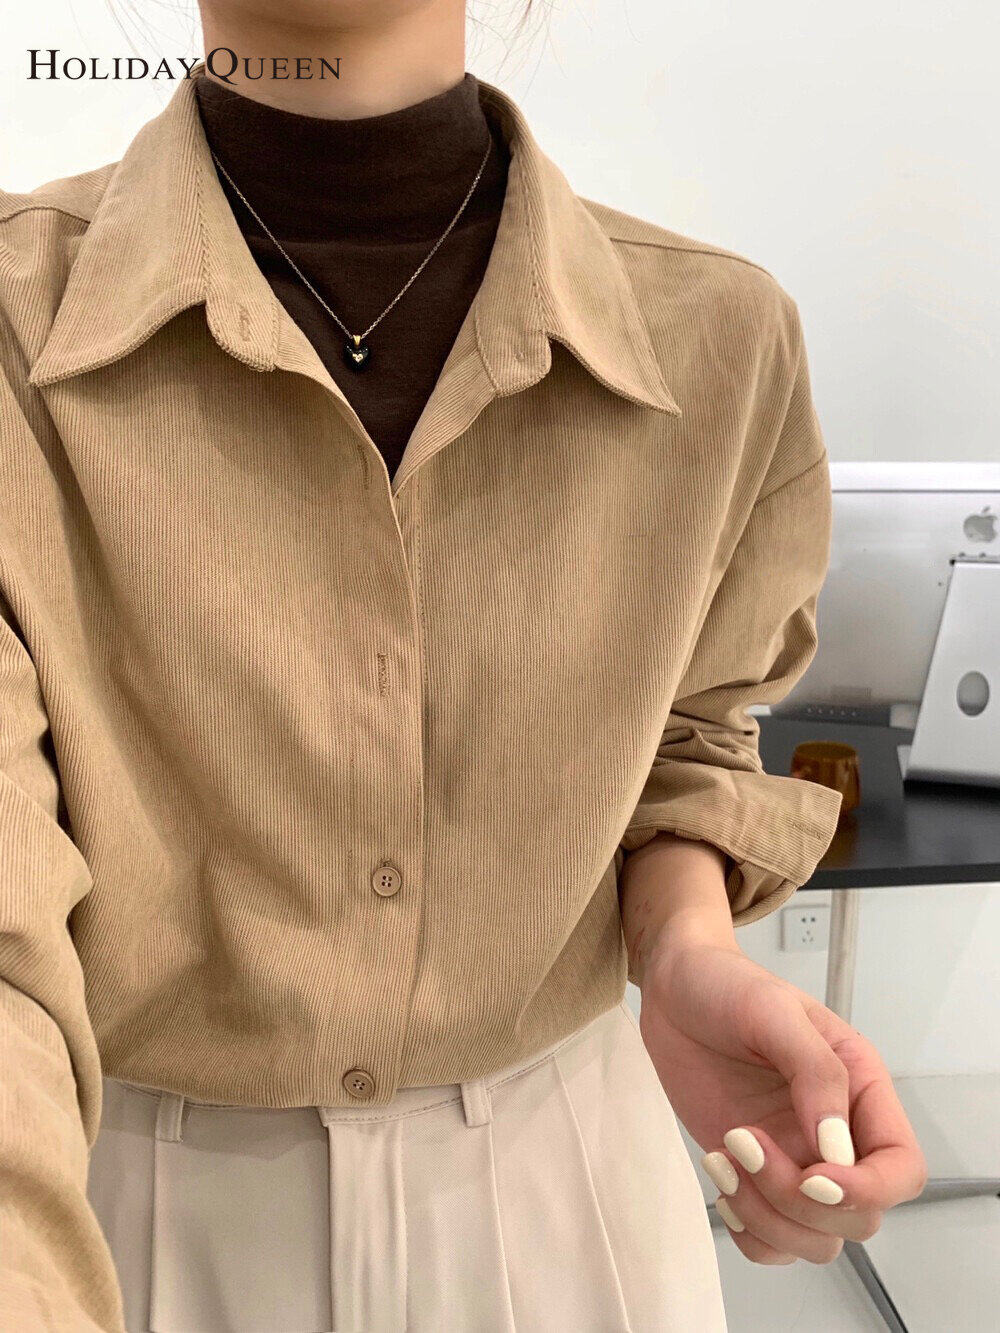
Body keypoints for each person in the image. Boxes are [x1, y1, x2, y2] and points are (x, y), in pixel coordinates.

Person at [0, 2, 928, 1330]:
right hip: (109, 1211)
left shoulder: (719, 339)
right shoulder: (13, 328)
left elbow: (688, 735)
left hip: (573, 1203)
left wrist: (683, 950)